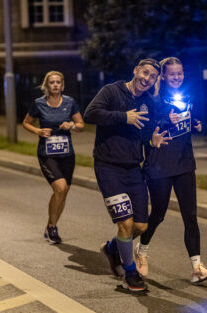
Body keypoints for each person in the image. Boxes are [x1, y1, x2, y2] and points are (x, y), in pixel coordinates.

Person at [83, 58, 170, 292]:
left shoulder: (148, 101)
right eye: (145, 73)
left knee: (140, 227)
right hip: (108, 167)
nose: (147, 79)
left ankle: (112, 248)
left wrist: (152, 140)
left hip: (133, 168)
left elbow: (144, 132)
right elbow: (90, 114)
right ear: (135, 70)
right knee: (125, 224)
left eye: (152, 77)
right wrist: (123, 116)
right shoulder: (112, 91)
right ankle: (130, 274)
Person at [136, 57, 207, 284]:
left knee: (190, 216)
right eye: (172, 74)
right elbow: (146, 131)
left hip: (184, 163)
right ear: (163, 76)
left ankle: (197, 268)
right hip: (159, 166)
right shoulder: (152, 100)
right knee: (158, 214)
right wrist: (165, 120)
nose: (177, 77)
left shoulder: (187, 97)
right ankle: (141, 252)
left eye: (180, 73)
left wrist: (197, 124)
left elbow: (191, 121)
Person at [23, 70, 84, 244]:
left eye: (58, 82)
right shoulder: (39, 103)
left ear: (62, 85)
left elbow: (81, 125)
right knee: (60, 187)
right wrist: (38, 131)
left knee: (63, 193)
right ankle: (52, 227)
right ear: (46, 85)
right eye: (52, 82)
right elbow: (26, 123)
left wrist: (72, 125)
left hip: (67, 154)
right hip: (47, 154)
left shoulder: (70, 102)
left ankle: (52, 225)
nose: (55, 85)